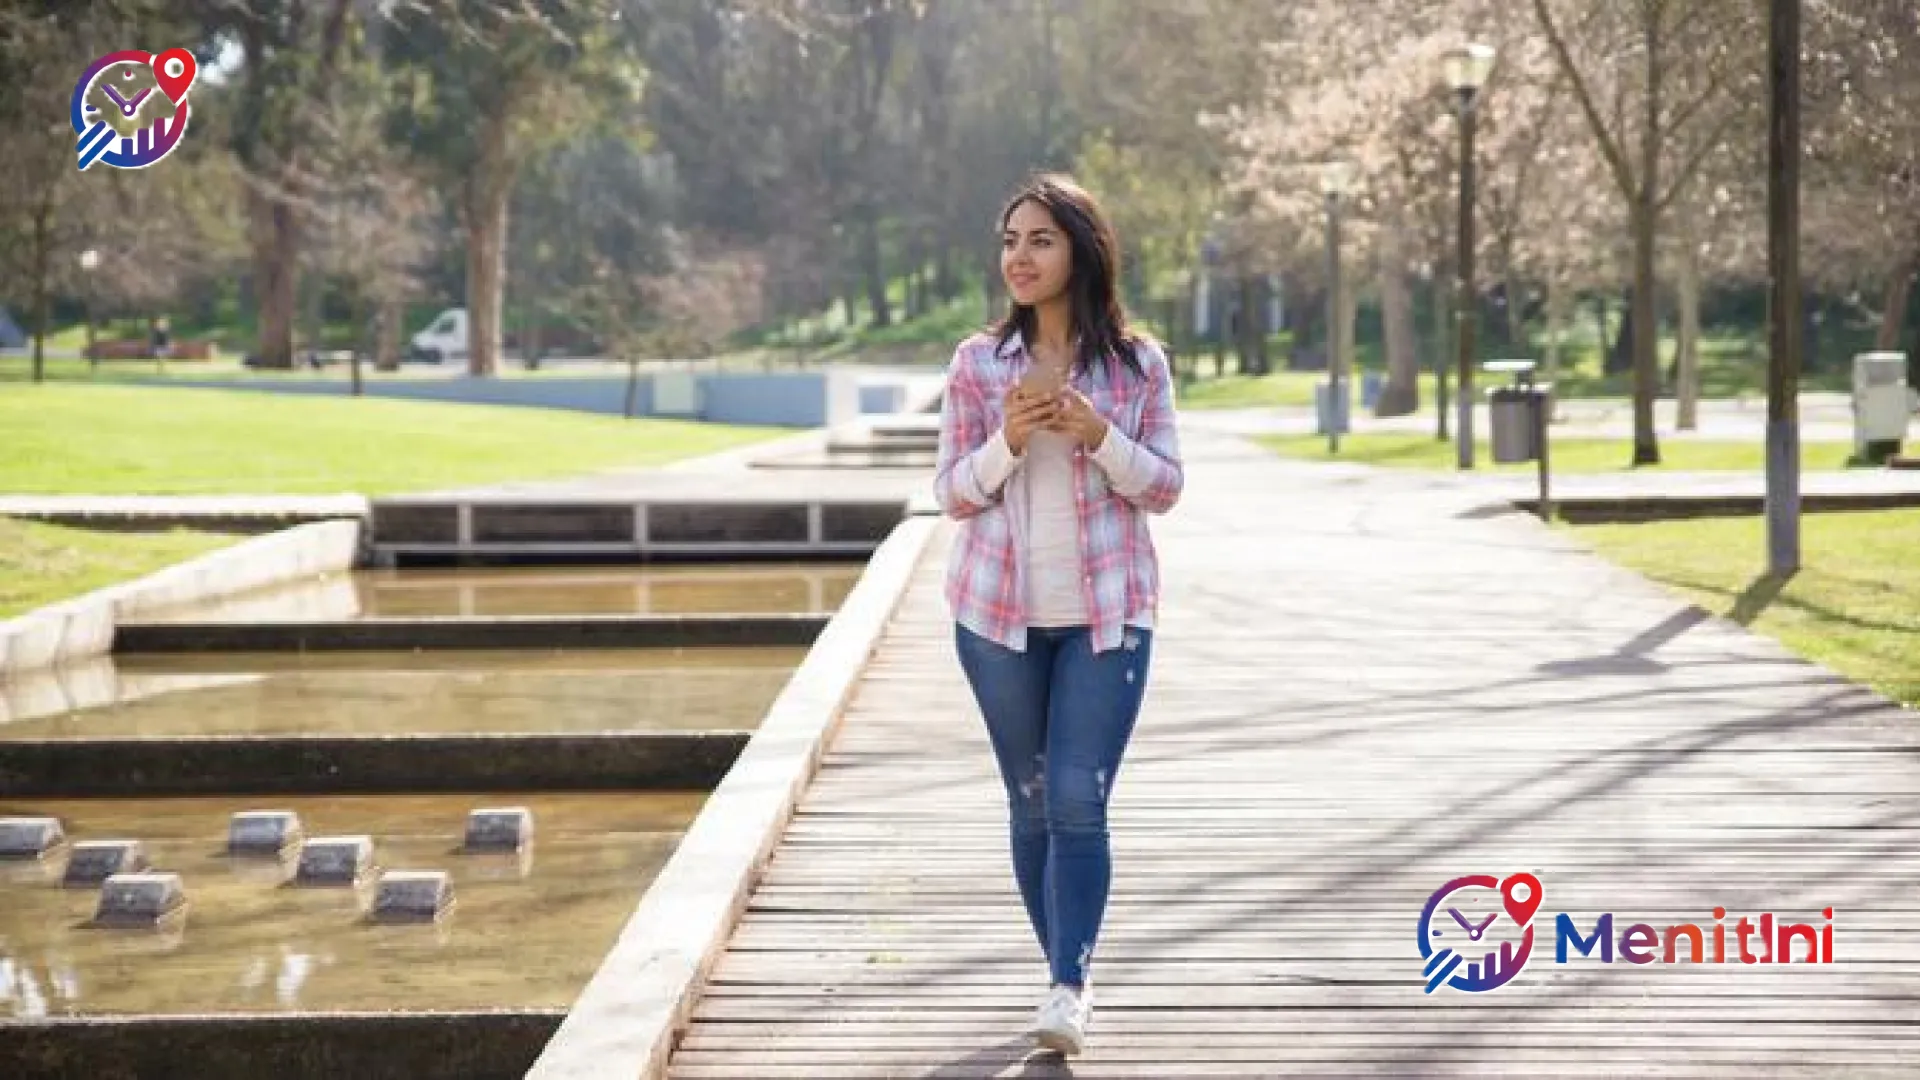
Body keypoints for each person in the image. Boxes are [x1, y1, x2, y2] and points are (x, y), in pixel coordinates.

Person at [932, 173, 1184, 1057]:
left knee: (1080, 798)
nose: (1020, 257)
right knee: (1032, 801)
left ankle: (1069, 987)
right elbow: (951, 496)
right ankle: (1061, 975)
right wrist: (1004, 442)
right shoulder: (977, 365)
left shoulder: (1137, 366)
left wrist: (1096, 435)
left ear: (1080, 248)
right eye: (1009, 241)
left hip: (1108, 617)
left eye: (1039, 239)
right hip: (995, 620)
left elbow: (1166, 487)